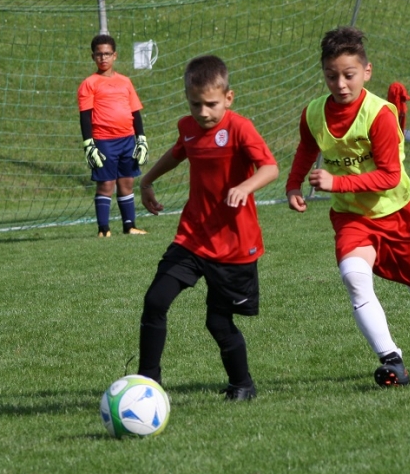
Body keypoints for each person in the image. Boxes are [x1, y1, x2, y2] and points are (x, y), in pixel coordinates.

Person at [285, 26, 410, 387]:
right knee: (355, 279)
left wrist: (335, 182)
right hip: (351, 217)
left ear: (366, 72)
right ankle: (392, 360)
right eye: (331, 76)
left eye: (348, 75)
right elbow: (307, 148)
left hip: (396, 214)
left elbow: (389, 176)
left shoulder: (380, 114)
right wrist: (294, 184)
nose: (340, 84)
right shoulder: (313, 113)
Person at [137, 55, 279, 401]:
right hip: (193, 236)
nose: (203, 112)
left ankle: (242, 384)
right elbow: (179, 151)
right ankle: (148, 383)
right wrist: (148, 180)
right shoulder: (188, 126)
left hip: (233, 246)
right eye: (195, 103)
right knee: (155, 300)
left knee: (217, 323)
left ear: (228, 98)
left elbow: (270, 167)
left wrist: (245, 187)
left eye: (211, 104)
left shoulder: (239, 128)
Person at [78, 33, 150, 237]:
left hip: (127, 139)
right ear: (93, 57)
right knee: (106, 184)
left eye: (107, 54)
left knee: (127, 182)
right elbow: (85, 116)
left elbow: (135, 111)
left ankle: (130, 226)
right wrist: (89, 144)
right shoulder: (89, 83)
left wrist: (141, 139)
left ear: (115, 55)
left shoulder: (125, 82)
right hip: (104, 141)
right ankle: (104, 229)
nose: (103, 58)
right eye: (99, 54)